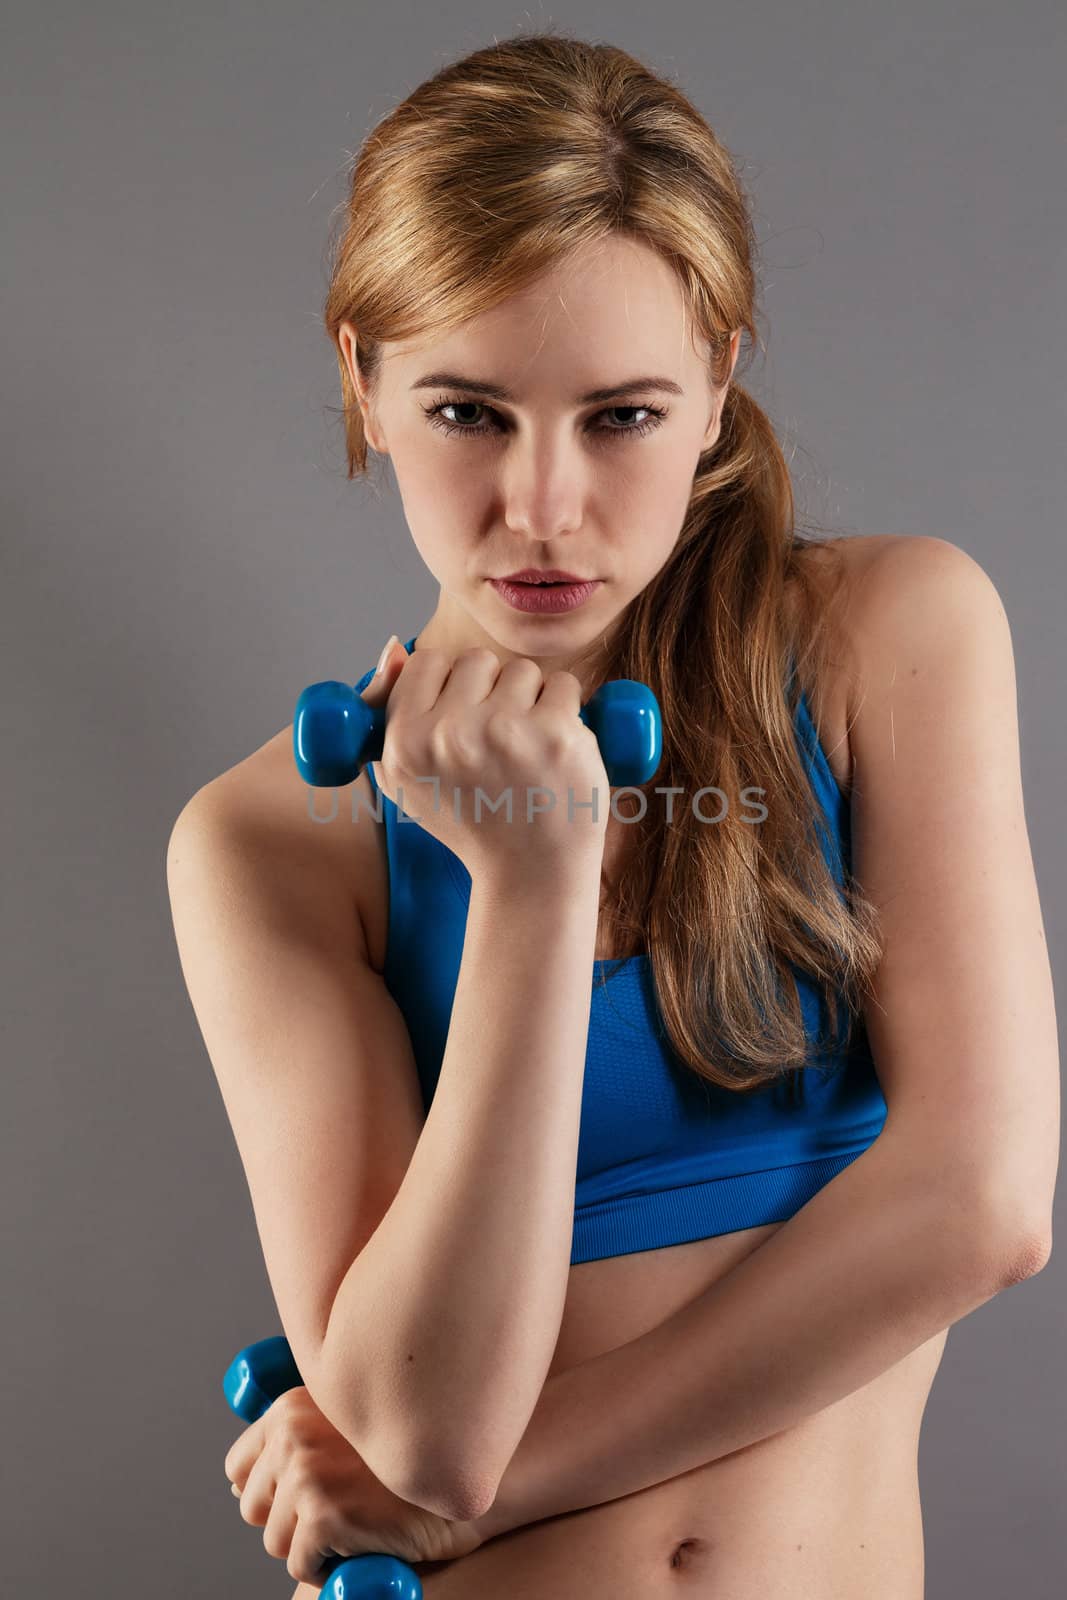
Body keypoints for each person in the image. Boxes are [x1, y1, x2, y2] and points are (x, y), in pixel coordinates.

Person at [167, 30, 1057, 1600]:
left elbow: (980, 1209)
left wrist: (488, 1499)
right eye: (468, 411)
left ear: (718, 383)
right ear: (361, 381)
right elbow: (422, 1427)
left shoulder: (888, 636)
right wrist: (527, 884)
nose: (545, 506)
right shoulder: (268, 843)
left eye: (623, 415)